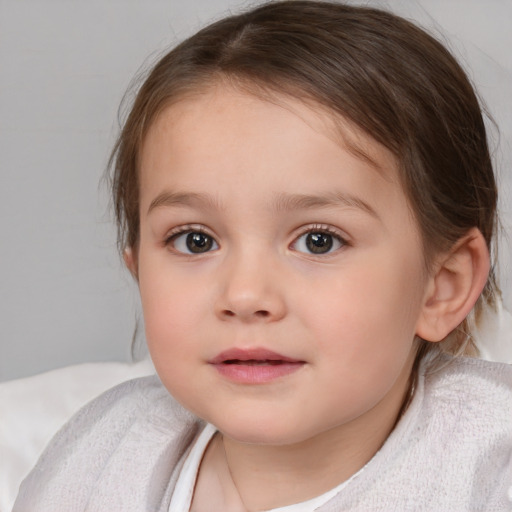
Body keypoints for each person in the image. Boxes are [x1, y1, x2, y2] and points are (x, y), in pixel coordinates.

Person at [13, 1, 512, 510]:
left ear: (442, 285)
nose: (245, 294)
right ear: (137, 268)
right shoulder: (101, 456)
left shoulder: (487, 470)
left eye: (319, 240)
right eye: (195, 240)